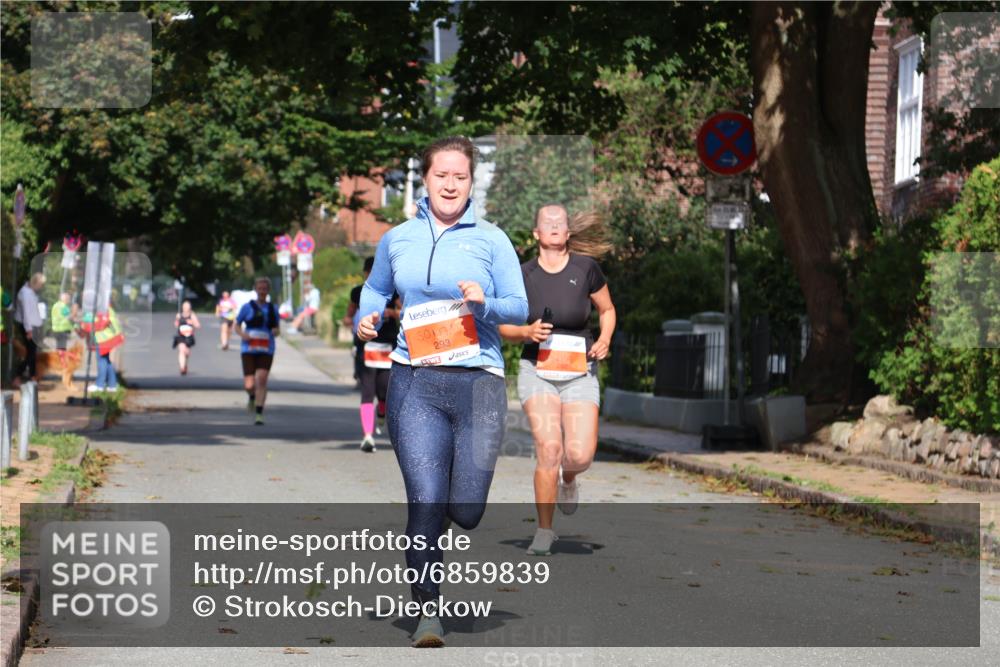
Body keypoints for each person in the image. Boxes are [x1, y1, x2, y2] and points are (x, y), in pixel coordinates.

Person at [357, 136, 528, 648]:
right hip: (415, 381)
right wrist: (366, 318)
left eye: (460, 176)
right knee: (426, 499)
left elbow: (520, 307)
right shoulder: (397, 238)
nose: (450, 184)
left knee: (467, 510)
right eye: (441, 175)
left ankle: (448, 517)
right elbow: (375, 288)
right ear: (425, 180)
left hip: (479, 385)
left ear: (471, 182)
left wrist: (486, 302)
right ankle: (427, 613)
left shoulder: (493, 240)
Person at [499, 204, 617, 557]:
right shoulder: (522, 275)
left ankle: (570, 478)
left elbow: (607, 310)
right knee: (549, 449)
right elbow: (502, 326)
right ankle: (544, 530)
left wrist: (605, 338)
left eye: (560, 223)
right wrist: (525, 331)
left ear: (567, 233)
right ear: (535, 233)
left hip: (579, 370)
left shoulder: (586, 268)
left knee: (579, 454)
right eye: (546, 223)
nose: (553, 226)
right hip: (538, 372)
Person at [346, 258, 400, 452]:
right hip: (366, 347)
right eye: (369, 272)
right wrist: (347, 320)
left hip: (388, 346)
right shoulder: (358, 292)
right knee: (367, 391)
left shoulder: (394, 290)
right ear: (365, 273)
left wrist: (390, 313)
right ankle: (367, 436)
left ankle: (382, 411)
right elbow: (349, 313)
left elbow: (403, 312)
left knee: (385, 391)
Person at [235, 277, 280, 425]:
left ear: (268, 291)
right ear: (256, 290)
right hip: (249, 347)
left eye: (265, 289)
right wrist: (243, 335)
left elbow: (277, 329)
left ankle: (259, 413)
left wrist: (275, 331)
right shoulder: (247, 307)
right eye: (260, 289)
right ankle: (252, 397)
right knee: (249, 384)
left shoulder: (273, 308)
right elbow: (237, 325)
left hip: (266, 348)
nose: (262, 292)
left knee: (262, 379)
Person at [83, 299, 125, 393]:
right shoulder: (107, 308)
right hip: (110, 337)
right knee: (106, 360)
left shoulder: (101, 310)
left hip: (105, 338)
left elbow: (97, 324)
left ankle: (100, 384)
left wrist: (85, 324)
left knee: (101, 360)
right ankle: (112, 384)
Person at [14, 272, 46, 382]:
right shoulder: (26, 294)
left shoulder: (29, 291)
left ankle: (32, 377)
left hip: (32, 325)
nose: (41, 287)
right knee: (31, 353)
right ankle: (18, 376)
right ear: (36, 283)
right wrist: (29, 330)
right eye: (41, 285)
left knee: (32, 352)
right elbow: (26, 314)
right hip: (29, 326)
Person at [173, 300, 201, 375]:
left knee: (187, 352)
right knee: (182, 350)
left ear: (190, 308)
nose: (186, 308)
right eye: (185, 307)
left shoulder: (192, 315)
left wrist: (192, 322)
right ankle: (182, 367)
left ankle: (185, 365)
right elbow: (175, 324)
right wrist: (177, 321)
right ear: (182, 307)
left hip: (189, 337)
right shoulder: (179, 315)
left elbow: (198, 325)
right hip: (181, 336)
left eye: (187, 307)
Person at [51, 292, 75, 364]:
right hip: (63, 329)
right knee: (62, 348)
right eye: (68, 298)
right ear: (64, 299)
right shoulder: (64, 306)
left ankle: (59, 362)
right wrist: (74, 314)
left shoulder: (55, 305)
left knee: (59, 347)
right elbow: (69, 317)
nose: (69, 300)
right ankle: (61, 363)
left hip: (56, 329)